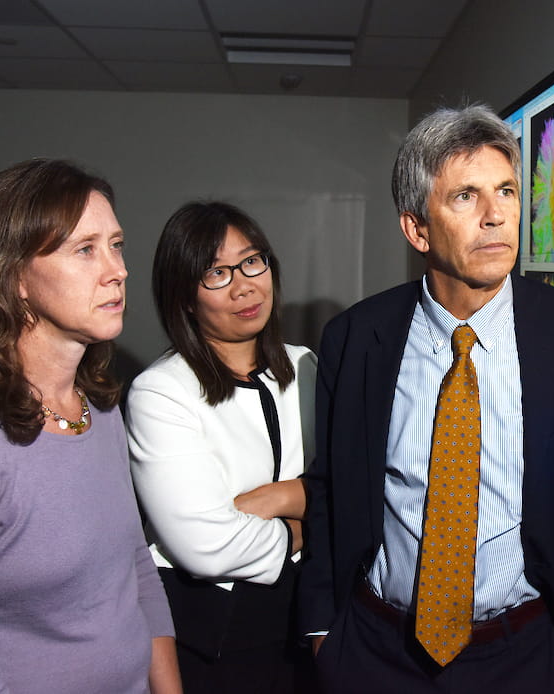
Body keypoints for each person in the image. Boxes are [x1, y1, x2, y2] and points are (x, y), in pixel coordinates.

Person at [299, 104, 554, 693]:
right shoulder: (356, 339)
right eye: (465, 196)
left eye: (506, 191)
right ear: (417, 229)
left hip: (529, 655)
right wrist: (324, 632)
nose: (495, 215)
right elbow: (330, 489)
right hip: (376, 652)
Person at [0, 159, 180, 693]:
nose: (117, 270)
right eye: (85, 250)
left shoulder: (96, 407)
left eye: (116, 245)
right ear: (13, 275)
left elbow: (134, 569)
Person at [126, 201, 317, 693]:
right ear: (185, 298)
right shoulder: (162, 391)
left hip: (309, 620)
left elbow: (358, 490)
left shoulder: (307, 367)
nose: (244, 286)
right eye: (216, 273)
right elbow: (206, 548)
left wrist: (278, 497)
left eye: (252, 261)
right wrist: (306, 527)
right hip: (217, 636)